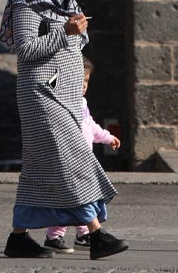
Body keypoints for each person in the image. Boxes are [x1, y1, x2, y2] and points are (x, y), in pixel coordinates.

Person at [0, 0, 128, 261]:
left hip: (63, 97)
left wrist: (73, 33)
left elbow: (67, 42)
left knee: (40, 169)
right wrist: (64, 33)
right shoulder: (29, 3)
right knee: (74, 161)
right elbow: (26, 50)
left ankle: (18, 238)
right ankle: (96, 235)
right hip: (42, 97)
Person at [44, 56, 122, 254]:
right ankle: (54, 236)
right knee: (71, 199)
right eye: (80, 80)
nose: (84, 85)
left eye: (86, 81)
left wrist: (107, 137)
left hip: (83, 160)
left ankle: (83, 234)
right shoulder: (63, 101)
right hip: (68, 159)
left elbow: (91, 126)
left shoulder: (82, 103)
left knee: (81, 198)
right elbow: (50, 84)